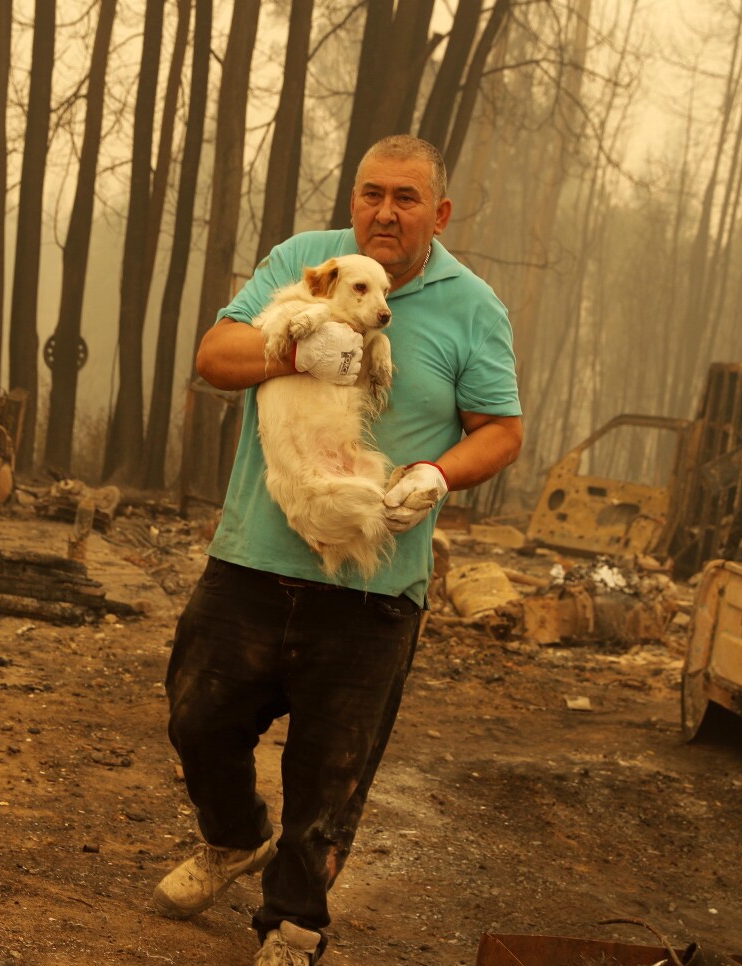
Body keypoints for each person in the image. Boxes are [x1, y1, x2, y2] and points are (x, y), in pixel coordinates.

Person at [154, 135, 523, 965]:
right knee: (197, 716)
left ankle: (293, 926)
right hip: (254, 554)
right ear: (353, 199)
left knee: (331, 771)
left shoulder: (473, 306)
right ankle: (232, 835)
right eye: (371, 194)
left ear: (441, 212)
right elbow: (215, 357)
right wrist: (289, 348)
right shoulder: (303, 262)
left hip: (374, 583)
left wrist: (436, 473)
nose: (385, 212)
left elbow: (501, 431)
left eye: (406, 197)